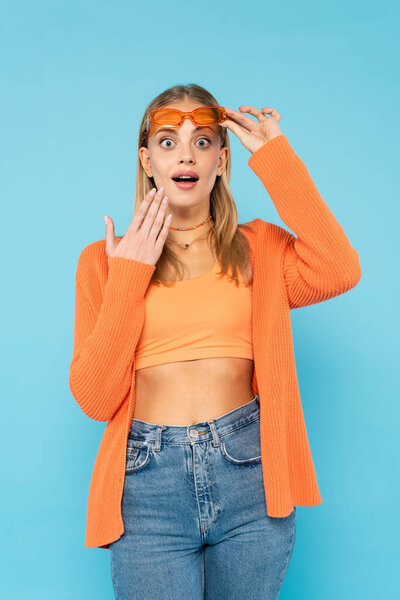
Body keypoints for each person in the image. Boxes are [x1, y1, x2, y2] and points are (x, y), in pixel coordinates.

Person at [69, 83, 362, 599]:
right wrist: (130, 274)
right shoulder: (105, 260)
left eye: (202, 141)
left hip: (249, 473)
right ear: (147, 160)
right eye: (167, 142)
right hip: (148, 486)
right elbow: (94, 399)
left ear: (222, 159)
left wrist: (275, 157)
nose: (185, 153)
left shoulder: (260, 249)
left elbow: (339, 269)